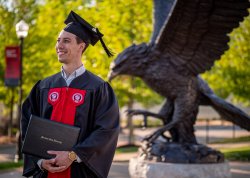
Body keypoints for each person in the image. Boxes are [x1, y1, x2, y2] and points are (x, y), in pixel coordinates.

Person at [21, 10, 120, 178]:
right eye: (58, 41)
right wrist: (39, 161)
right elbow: (28, 124)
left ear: (81, 46)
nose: (59, 45)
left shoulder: (98, 88)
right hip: (46, 171)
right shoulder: (43, 86)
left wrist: (73, 155)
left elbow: (106, 131)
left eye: (66, 41)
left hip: (79, 172)